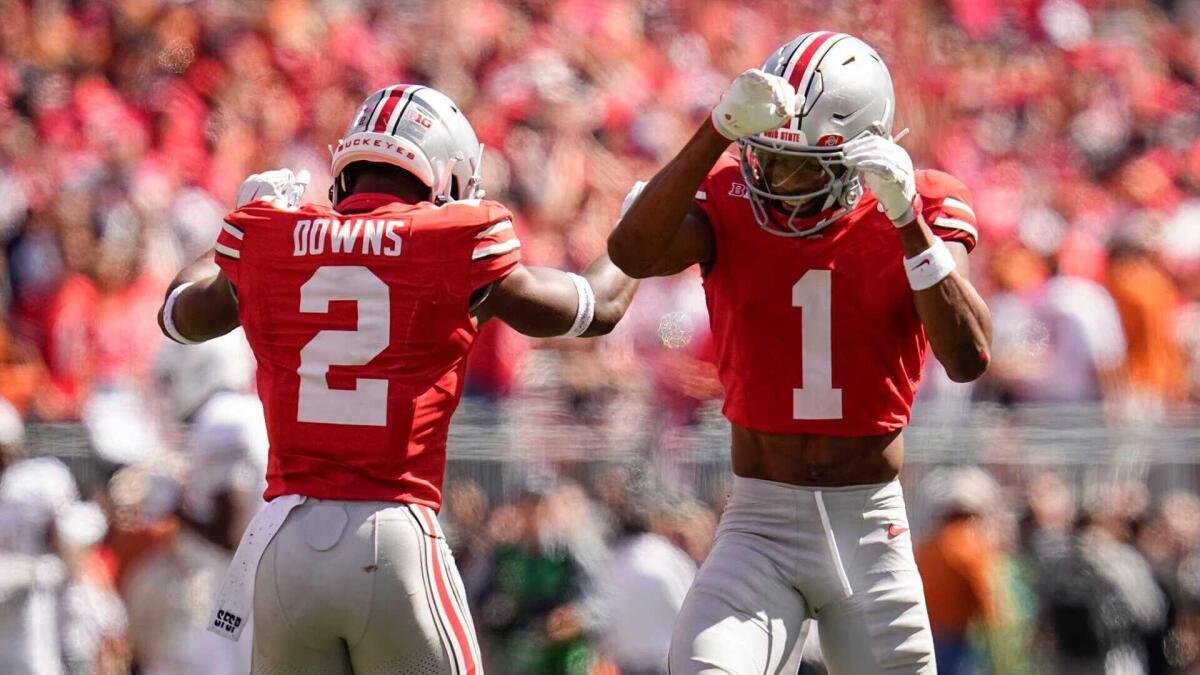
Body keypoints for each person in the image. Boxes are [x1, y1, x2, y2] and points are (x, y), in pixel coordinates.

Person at [157, 84, 639, 674]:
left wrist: (239, 224)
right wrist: (636, 231)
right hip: (390, 537)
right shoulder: (454, 238)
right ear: (446, 174)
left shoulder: (269, 235)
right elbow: (595, 307)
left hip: (286, 547)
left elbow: (178, 315)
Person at [608, 31, 993, 674]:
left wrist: (908, 224)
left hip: (868, 530)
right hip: (757, 525)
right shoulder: (732, 194)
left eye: (804, 165)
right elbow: (632, 253)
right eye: (768, 157)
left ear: (860, 153)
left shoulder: (920, 202)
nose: (778, 181)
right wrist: (715, 131)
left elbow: (969, 356)